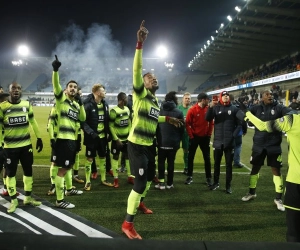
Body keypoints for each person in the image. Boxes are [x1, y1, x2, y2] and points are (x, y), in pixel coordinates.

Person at [121, 20, 183, 240]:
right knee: (139, 183)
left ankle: (139, 202)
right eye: (149, 77)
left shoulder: (155, 102)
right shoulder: (139, 94)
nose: (153, 78)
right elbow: (137, 69)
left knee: (148, 180)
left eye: (154, 77)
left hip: (149, 147)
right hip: (136, 145)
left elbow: (154, 117)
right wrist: (139, 45)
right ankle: (127, 224)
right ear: (143, 83)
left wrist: (168, 119)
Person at [241, 105, 300, 242]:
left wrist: (247, 114)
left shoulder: (294, 120)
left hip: (296, 182)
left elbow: (262, 126)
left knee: (294, 233)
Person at [241, 90, 292, 211]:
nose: (270, 96)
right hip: (258, 145)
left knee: (276, 169)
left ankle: (278, 198)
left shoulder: (279, 108)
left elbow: (290, 113)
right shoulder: (256, 108)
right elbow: (246, 117)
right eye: (267, 95)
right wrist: (247, 120)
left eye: (271, 94)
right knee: (255, 168)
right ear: (262, 97)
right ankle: (252, 192)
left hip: (274, 145)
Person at [0, 82, 44, 213]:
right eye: (13, 88)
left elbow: (33, 121)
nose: (16, 90)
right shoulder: (2, 107)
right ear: (9, 91)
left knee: (28, 171)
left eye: (19, 88)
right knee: (10, 173)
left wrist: (39, 137)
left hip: (26, 146)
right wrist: (0, 145)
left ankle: (28, 198)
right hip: (10, 147)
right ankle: (14, 201)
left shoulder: (26, 104)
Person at [51, 55, 86, 208]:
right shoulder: (61, 100)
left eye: (75, 87)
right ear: (65, 90)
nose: (73, 88)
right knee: (62, 169)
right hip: (63, 140)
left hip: (72, 139)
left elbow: (83, 118)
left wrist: (81, 102)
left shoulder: (76, 105)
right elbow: (55, 85)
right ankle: (59, 200)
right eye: (70, 86)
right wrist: (55, 70)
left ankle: (68, 190)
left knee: (69, 167)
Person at [205, 90, 245, 194]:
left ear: (229, 98)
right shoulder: (216, 107)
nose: (226, 96)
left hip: (229, 142)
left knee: (228, 165)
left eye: (227, 95)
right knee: (216, 164)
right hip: (218, 142)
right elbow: (207, 118)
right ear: (220, 97)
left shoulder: (234, 109)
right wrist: (210, 107)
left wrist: (233, 135)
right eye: (224, 95)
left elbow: (240, 123)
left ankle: (228, 186)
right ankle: (216, 183)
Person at [82, 83, 113, 190]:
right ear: (97, 92)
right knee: (90, 158)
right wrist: (91, 133)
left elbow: (107, 121)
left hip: (102, 138)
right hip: (92, 137)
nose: (104, 92)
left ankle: (103, 179)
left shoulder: (105, 104)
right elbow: (83, 122)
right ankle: (88, 181)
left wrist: (108, 133)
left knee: (103, 157)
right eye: (103, 90)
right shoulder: (88, 105)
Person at [155, 91, 184, 189]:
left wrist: (157, 139)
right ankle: (170, 183)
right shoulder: (179, 112)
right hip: (173, 142)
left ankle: (161, 183)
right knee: (171, 162)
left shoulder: (160, 111)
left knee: (161, 162)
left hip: (162, 141)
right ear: (175, 100)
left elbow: (156, 127)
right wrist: (178, 140)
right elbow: (181, 128)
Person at [185, 93, 214, 186]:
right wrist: (191, 136)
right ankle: (189, 176)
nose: (208, 101)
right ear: (202, 100)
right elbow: (187, 124)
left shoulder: (208, 109)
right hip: (194, 137)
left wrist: (209, 135)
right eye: (207, 99)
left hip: (205, 138)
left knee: (207, 158)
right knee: (190, 157)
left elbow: (211, 123)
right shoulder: (192, 110)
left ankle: (209, 178)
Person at [109, 92, 134, 188]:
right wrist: (116, 139)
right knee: (115, 157)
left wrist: (129, 136)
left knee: (128, 157)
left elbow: (129, 123)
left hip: (126, 139)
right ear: (122, 99)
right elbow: (110, 126)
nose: (128, 100)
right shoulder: (114, 111)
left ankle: (130, 177)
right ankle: (116, 179)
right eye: (126, 98)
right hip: (117, 141)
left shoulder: (127, 109)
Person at [230, 95, 247, 168]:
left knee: (230, 147)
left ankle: (229, 161)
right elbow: (243, 118)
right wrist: (245, 129)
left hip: (229, 130)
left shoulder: (225, 107)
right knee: (238, 146)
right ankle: (236, 162)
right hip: (238, 130)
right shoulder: (239, 106)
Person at [177, 92, 191, 175]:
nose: (187, 100)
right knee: (173, 150)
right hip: (177, 133)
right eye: (186, 98)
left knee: (186, 151)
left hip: (186, 134)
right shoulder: (178, 108)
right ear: (182, 99)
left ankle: (186, 167)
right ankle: (170, 166)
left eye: (189, 98)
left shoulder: (191, 109)